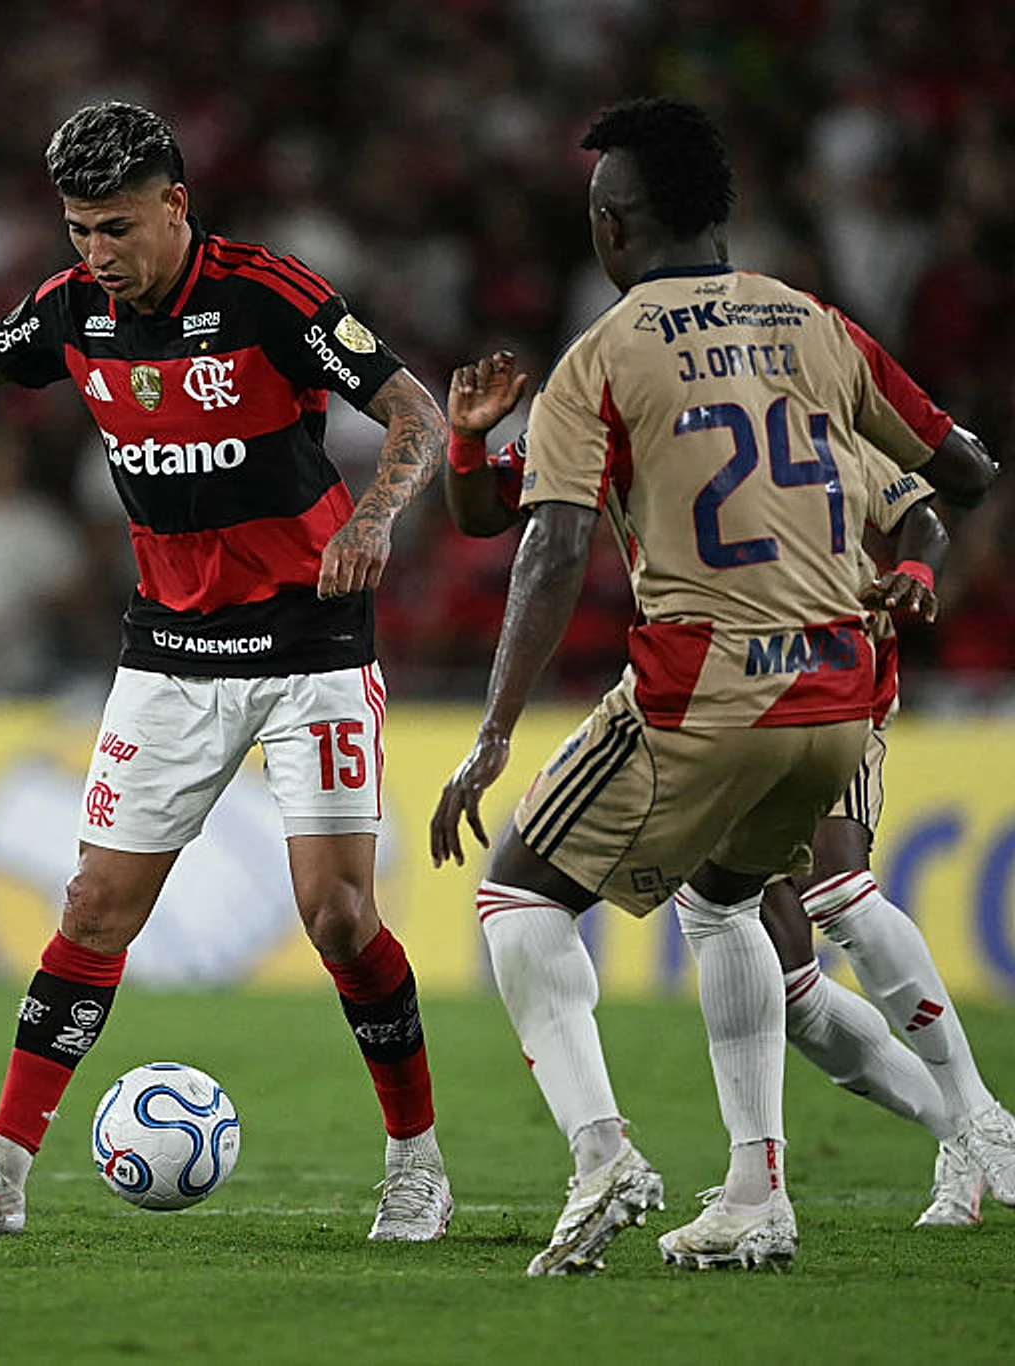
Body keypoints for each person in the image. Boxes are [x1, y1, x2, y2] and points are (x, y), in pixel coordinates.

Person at [0, 100, 455, 1241]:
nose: (96, 254)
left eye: (116, 228)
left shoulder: (268, 294)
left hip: (309, 642)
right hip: (169, 653)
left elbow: (415, 411)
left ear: (175, 204)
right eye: (77, 230)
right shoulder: (78, 310)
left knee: (337, 916)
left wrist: (373, 517)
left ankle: (416, 1162)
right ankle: (1, 1169)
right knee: (92, 905)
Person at [428, 96, 997, 1276]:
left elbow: (547, 543)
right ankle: (759, 1191)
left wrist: (491, 732)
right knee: (730, 907)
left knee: (515, 896)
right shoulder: (815, 330)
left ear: (610, 224)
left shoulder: (604, 354)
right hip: (839, 692)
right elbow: (962, 472)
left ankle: (603, 1157)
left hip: (707, 687)